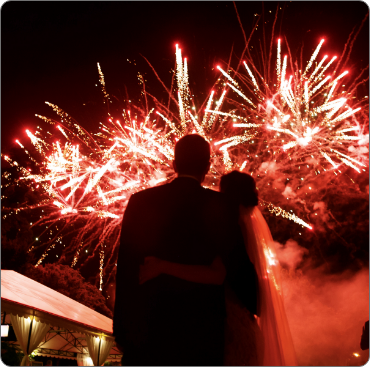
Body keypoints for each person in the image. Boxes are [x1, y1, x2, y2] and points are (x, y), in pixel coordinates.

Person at [113, 135, 257, 366]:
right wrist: (255, 303)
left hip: (148, 332)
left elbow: (126, 268)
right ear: (207, 167)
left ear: (174, 164)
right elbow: (237, 266)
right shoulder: (221, 207)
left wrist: (121, 330)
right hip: (201, 335)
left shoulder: (140, 201)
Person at [140, 170, 297, 366]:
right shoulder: (248, 225)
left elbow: (217, 273)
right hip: (244, 322)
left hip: (227, 325)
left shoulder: (231, 227)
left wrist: (163, 266)